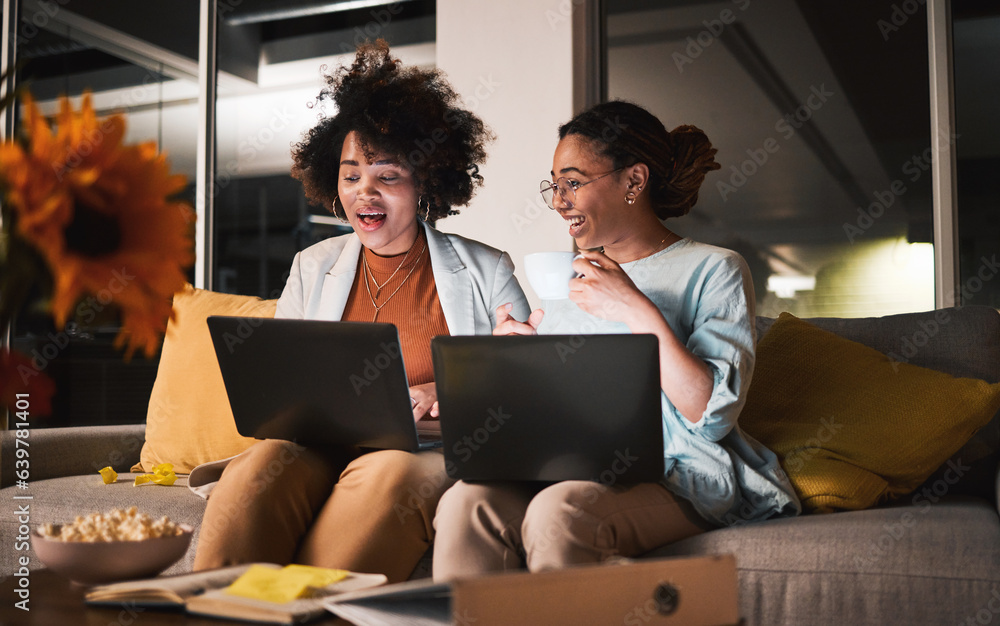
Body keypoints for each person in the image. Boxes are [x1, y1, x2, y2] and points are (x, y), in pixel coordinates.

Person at [191, 41, 529, 583]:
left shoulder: (487, 269)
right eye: (351, 176)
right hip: (319, 444)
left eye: (387, 176)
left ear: (426, 184)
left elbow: (524, 384)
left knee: (389, 475)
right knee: (258, 467)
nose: (364, 193)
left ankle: (305, 615)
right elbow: (282, 379)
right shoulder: (312, 264)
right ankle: (212, 613)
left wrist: (444, 393)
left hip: (421, 450)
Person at [432, 100, 800, 579]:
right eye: (554, 185)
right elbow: (559, 406)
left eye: (573, 182)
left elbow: (710, 414)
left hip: (677, 470)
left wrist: (633, 306)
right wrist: (514, 360)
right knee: (466, 501)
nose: (559, 199)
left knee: (561, 513)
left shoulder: (714, 268)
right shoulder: (566, 278)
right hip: (567, 460)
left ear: (633, 181)